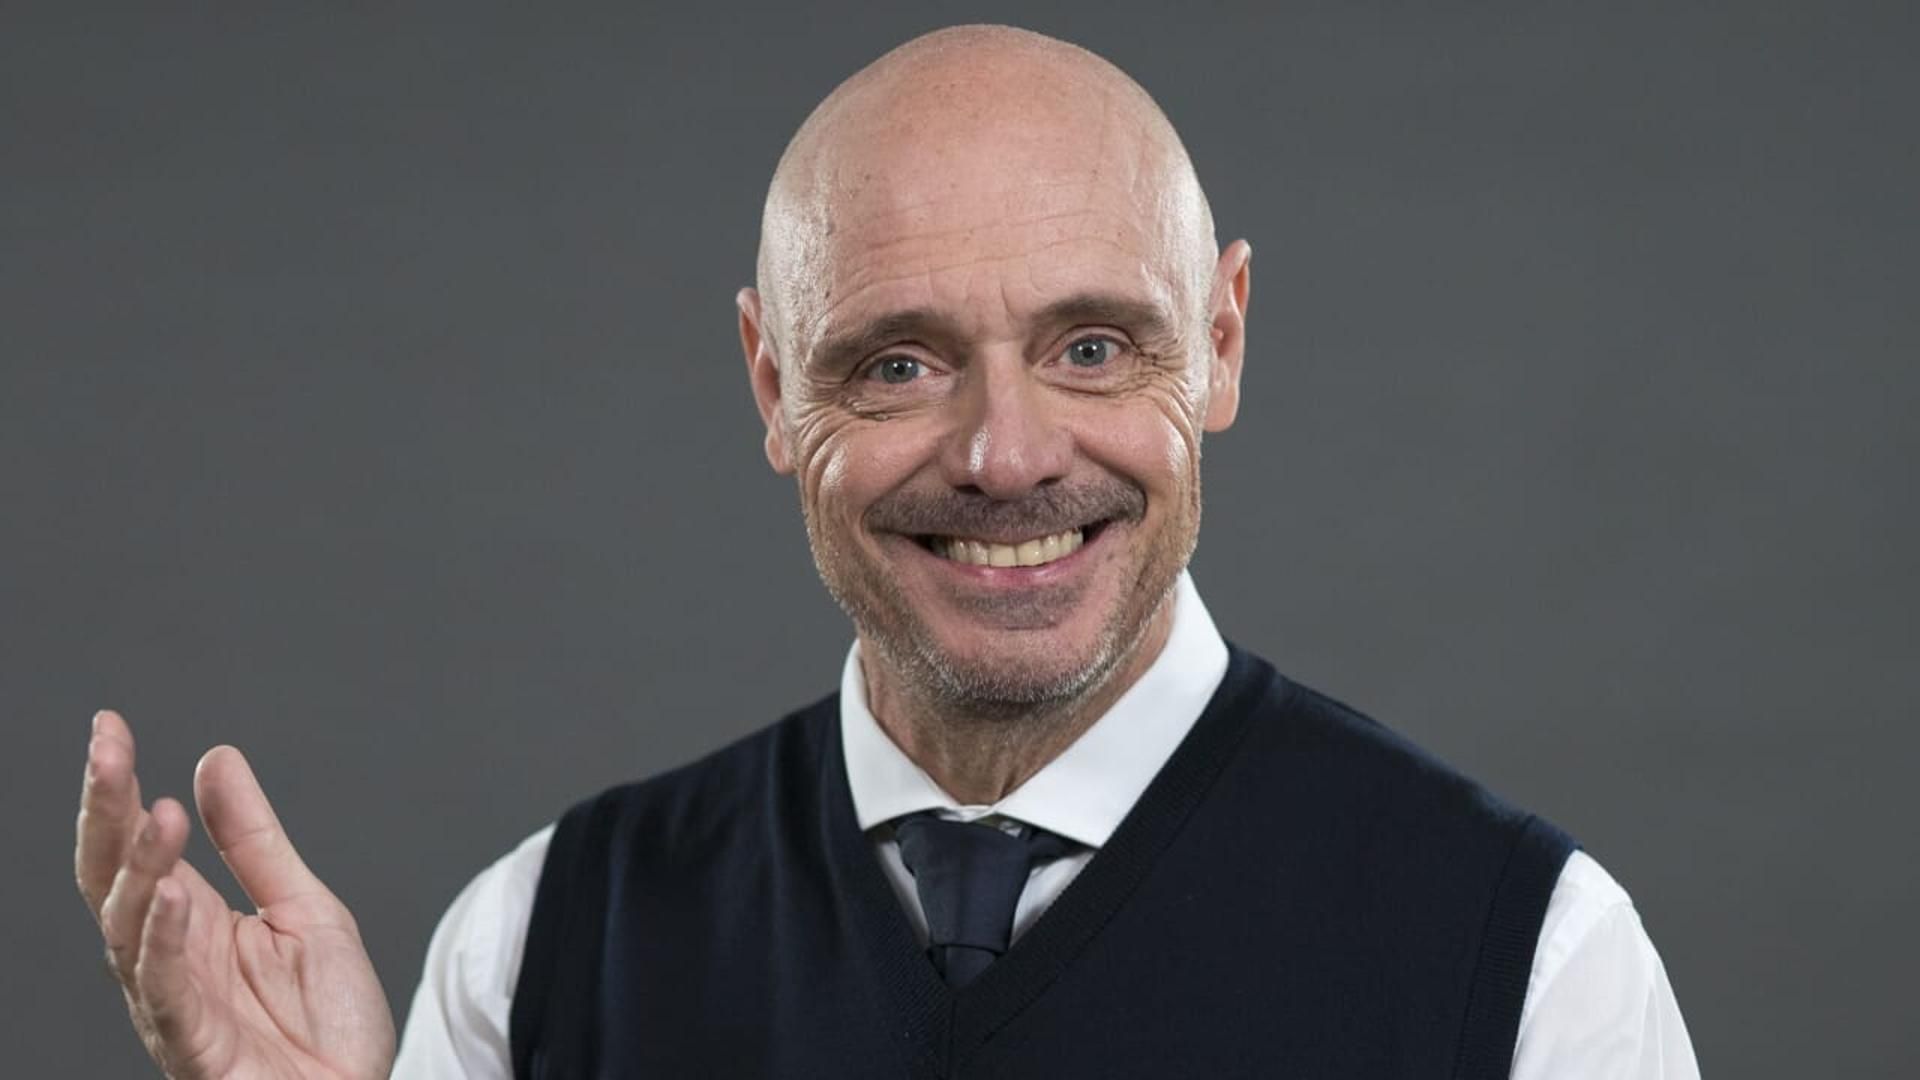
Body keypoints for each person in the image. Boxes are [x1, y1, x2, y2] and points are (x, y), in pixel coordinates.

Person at [73, 24, 1699, 1079]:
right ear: (774, 386)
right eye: (900, 364)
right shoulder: (544, 946)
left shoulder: (1526, 963)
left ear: (1222, 341)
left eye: (1091, 348)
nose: (1005, 456)